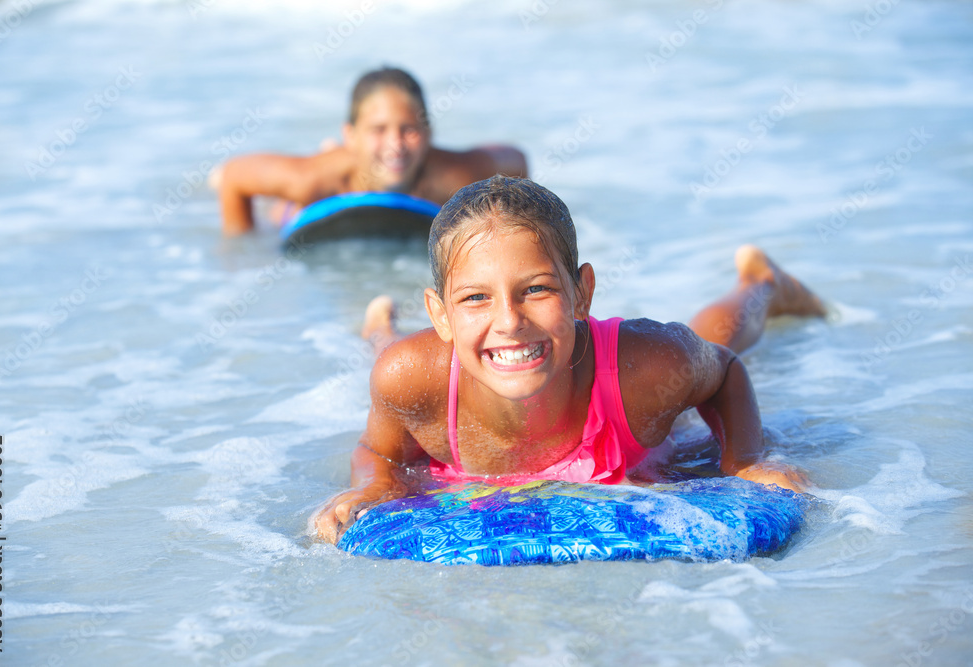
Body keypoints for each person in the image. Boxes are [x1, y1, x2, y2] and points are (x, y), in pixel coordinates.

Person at [314, 176, 827, 544]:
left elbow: (725, 372)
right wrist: (376, 484)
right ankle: (379, 327)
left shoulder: (646, 366)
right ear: (440, 314)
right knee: (393, 358)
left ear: (582, 292)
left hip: (626, 410)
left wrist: (746, 461)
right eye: (475, 298)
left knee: (704, 341)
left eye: (535, 289)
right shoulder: (411, 378)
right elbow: (377, 450)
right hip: (429, 363)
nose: (510, 320)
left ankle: (761, 286)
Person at [216, 67, 528, 236]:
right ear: (350, 135)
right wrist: (242, 244)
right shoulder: (313, 179)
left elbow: (517, 161)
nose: (395, 144)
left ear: (429, 133)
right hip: (333, 183)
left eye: (409, 129)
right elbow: (233, 177)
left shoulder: (454, 175)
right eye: (378, 130)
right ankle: (316, 167)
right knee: (284, 207)